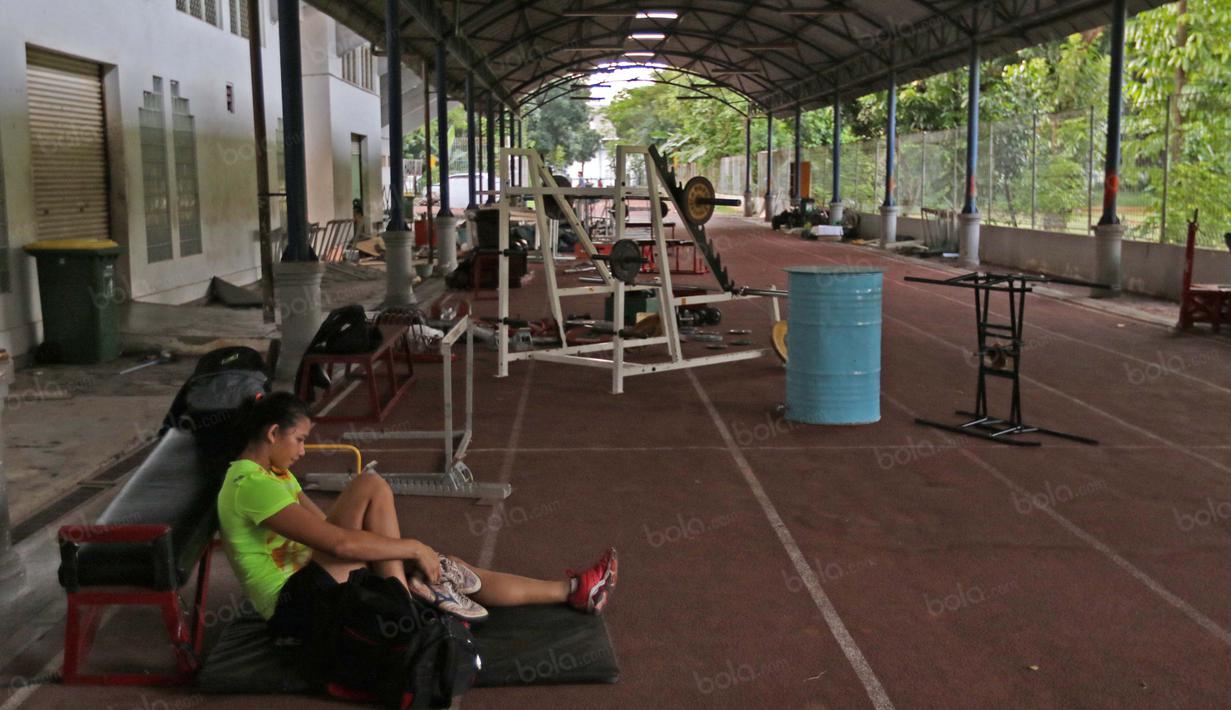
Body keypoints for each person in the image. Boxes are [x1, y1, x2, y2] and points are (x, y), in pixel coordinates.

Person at [216, 392, 617, 644]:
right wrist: (409, 547)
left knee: (442, 564)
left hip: (317, 580)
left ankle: (573, 589)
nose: (303, 451)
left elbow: (329, 527)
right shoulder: (249, 485)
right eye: (299, 439)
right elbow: (337, 543)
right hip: (295, 608)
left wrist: (400, 555)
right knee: (395, 523)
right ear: (272, 433)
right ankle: (404, 599)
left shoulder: (276, 474)